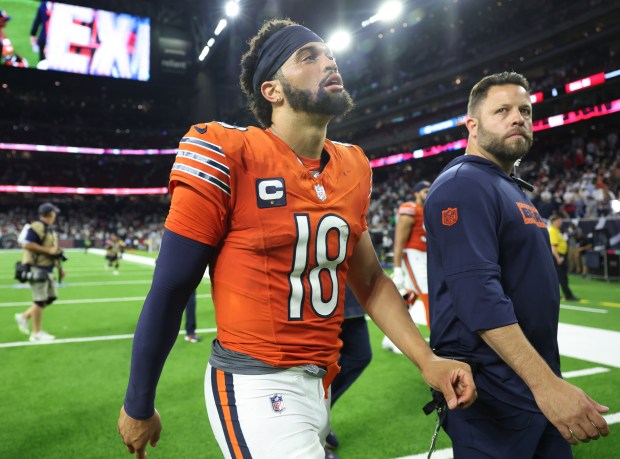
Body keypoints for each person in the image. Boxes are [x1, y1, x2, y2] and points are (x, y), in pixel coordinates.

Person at [117, 18, 476, 459]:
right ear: (273, 91)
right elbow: (172, 286)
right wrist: (138, 403)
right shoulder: (229, 151)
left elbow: (371, 281)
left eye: (330, 55)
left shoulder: (353, 165)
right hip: (255, 381)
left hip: (320, 380)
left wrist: (427, 360)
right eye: (308, 57)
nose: (328, 62)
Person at [424, 71, 609, 458]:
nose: (518, 118)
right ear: (472, 126)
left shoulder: (505, 186)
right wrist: (547, 385)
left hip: (528, 384)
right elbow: (478, 296)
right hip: (495, 394)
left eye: (525, 110)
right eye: (502, 110)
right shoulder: (463, 184)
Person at [383, 180, 431, 354]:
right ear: (417, 193)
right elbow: (399, 241)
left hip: (425, 257)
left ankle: (390, 337)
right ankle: (440, 340)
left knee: (410, 296)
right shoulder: (410, 209)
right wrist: (397, 268)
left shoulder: (427, 210)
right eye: (425, 190)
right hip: (413, 256)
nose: (428, 193)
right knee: (428, 295)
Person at [326, 285, 372, 458]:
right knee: (315, 367)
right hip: (315, 298)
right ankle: (312, 435)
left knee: (359, 355)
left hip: (348, 293)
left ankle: (318, 417)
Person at [14, 202, 63, 342]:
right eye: (54, 213)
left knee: (50, 297)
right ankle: (36, 333)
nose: (55, 216)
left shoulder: (48, 228)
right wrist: (48, 251)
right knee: (40, 300)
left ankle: (24, 316)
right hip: (38, 268)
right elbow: (27, 243)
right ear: (49, 214)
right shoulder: (37, 226)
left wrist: (60, 268)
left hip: (48, 268)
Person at [548, 215, 579, 301]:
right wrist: (558, 258)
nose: (560, 223)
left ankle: (555, 294)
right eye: (559, 221)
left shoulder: (557, 230)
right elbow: (553, 246)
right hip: (557, 256)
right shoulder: (553, 231)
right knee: (562, 277)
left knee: (559, 277)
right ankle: (568, 295)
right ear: (553, 222)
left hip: (560, 255)